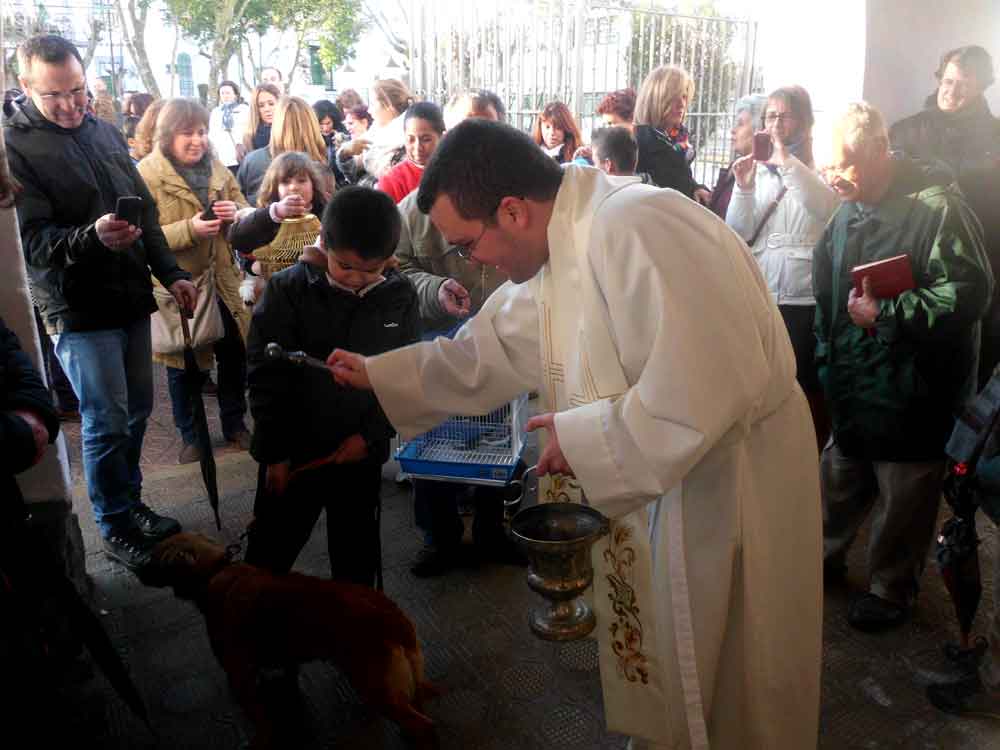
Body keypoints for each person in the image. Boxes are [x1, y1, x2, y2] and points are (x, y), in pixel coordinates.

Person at [329, 119, 822, 749]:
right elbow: (484, 352)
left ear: (512, 211)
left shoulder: (639, 224)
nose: (469, 261)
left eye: (465, 244)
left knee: (731, 681)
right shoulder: (560, 249)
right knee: (674, 660)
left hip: (731, 486)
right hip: (664, 483)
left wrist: (582, 438)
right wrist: (377, 374)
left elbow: (713, 380)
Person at [4, 35, 196, 570]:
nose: (70, 105)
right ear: (25, 88)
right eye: (55, 95)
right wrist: (91, 237)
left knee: (135, 412)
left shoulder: (105, 132)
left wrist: (174, 274)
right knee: (106, 419)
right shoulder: (13, 147)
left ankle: (129, 504)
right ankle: (113, 524)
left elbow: (148, 218)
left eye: (78, 91)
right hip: (76, 309)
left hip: (130, 296)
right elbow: (33, 245)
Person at [816, 102, 993, 631]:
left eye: (843, 164)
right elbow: (828, 288)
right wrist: (828, 359)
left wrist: (888, 314)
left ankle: (891, 589)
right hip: (854, 382)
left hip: (914, 389)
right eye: (826, 166)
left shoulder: (938, 207)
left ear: (877, 150)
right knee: (839, 482)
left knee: (904, 498)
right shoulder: (844, 208)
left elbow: (969, 292)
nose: (832, 177)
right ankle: (822, 558)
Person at [244, 187, 420, 585]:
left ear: (391, 259)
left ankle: (356, 635)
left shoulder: (400, 295)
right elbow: (264, 376)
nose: (357, 278)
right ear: (323, 242)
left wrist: (372, 436)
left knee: (357, 556)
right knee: (269, 552)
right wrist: (274, 453)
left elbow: (404, 374)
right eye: (344, 266)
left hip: (358, 451)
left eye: (370, 269)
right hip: (294, 449)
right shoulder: (288, 289)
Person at [138, 98, 252, 464]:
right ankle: (192, 435)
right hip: (180, 286)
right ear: (168, 135)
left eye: (202, 131)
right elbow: (142, 234)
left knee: (234, 354)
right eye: (188, 132)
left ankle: (235, 424)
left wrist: (237, 213)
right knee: (183, 364)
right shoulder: (146, 175)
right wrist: (190, 228)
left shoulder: (219, 170)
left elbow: (244, 209)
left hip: (223, 281)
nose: (197, 140)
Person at [726, 86, 838, 447]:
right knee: (763, 378)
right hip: (761, 291)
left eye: (784, 116)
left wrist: (786, 162)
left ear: (804, 122)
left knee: (800, 381)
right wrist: (743, 188)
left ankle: (802, 446)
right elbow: (738, 232)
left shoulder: (819, 166)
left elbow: (824, 206)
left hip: (801, 296)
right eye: (770, 116)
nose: (775, 124)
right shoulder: (756, 171)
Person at [229, 151, 330, 304]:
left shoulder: (326, 212)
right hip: (280, 299)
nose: (294, 187)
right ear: (274, 187)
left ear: (313, 184)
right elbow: (236, 239)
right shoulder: (267, 216)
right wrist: (273, 213)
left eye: (301, 180)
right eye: (285, 182)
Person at [634, 64, 711, 203]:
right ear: (655, 98)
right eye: (674, 97)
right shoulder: (638, 144)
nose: (682, 104)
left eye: (684, 96)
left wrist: (695, 187)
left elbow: (680, 181)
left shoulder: (676, 139)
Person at [238, 95, 330, 206]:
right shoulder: (320, 162)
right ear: (311, 125)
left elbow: (239, 203)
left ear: (276, 124)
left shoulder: (252, 160)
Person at [337, 79, 412, 184]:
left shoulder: (408, 143)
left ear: (388, 106)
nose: (369, 110)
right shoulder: (375, 133)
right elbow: (353, 174)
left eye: (372, 104)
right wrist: (345, 153)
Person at [707, 92, 766, 219]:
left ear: (759, 130)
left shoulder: (763, 178)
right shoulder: (736, 166)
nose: (733, 130)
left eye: (740, 124)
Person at [379, 102, 445, 203]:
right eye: (411, 139)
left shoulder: (458, 173)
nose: (418, 147)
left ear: (442, 137)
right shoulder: (391, 181)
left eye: (426, 139)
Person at [208, 80, 249, 176]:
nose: (225, 96)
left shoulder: (244, 109)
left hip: (238, 155)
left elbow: (248, 130)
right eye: (222, 93)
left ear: (235, 94)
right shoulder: (216, 112)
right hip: (221, 157)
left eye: (228, 93)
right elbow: (212, 134)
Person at [312, 99, 348, 186]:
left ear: (334, 120)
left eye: (328, 123)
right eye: (321, 124)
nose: (325, 128)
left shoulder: (343, 134)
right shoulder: (311, 137)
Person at [240, 83, 280, 160]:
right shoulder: (250, 135)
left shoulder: (289, 130)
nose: (267, 109)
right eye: (261, 106)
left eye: (271, 104)